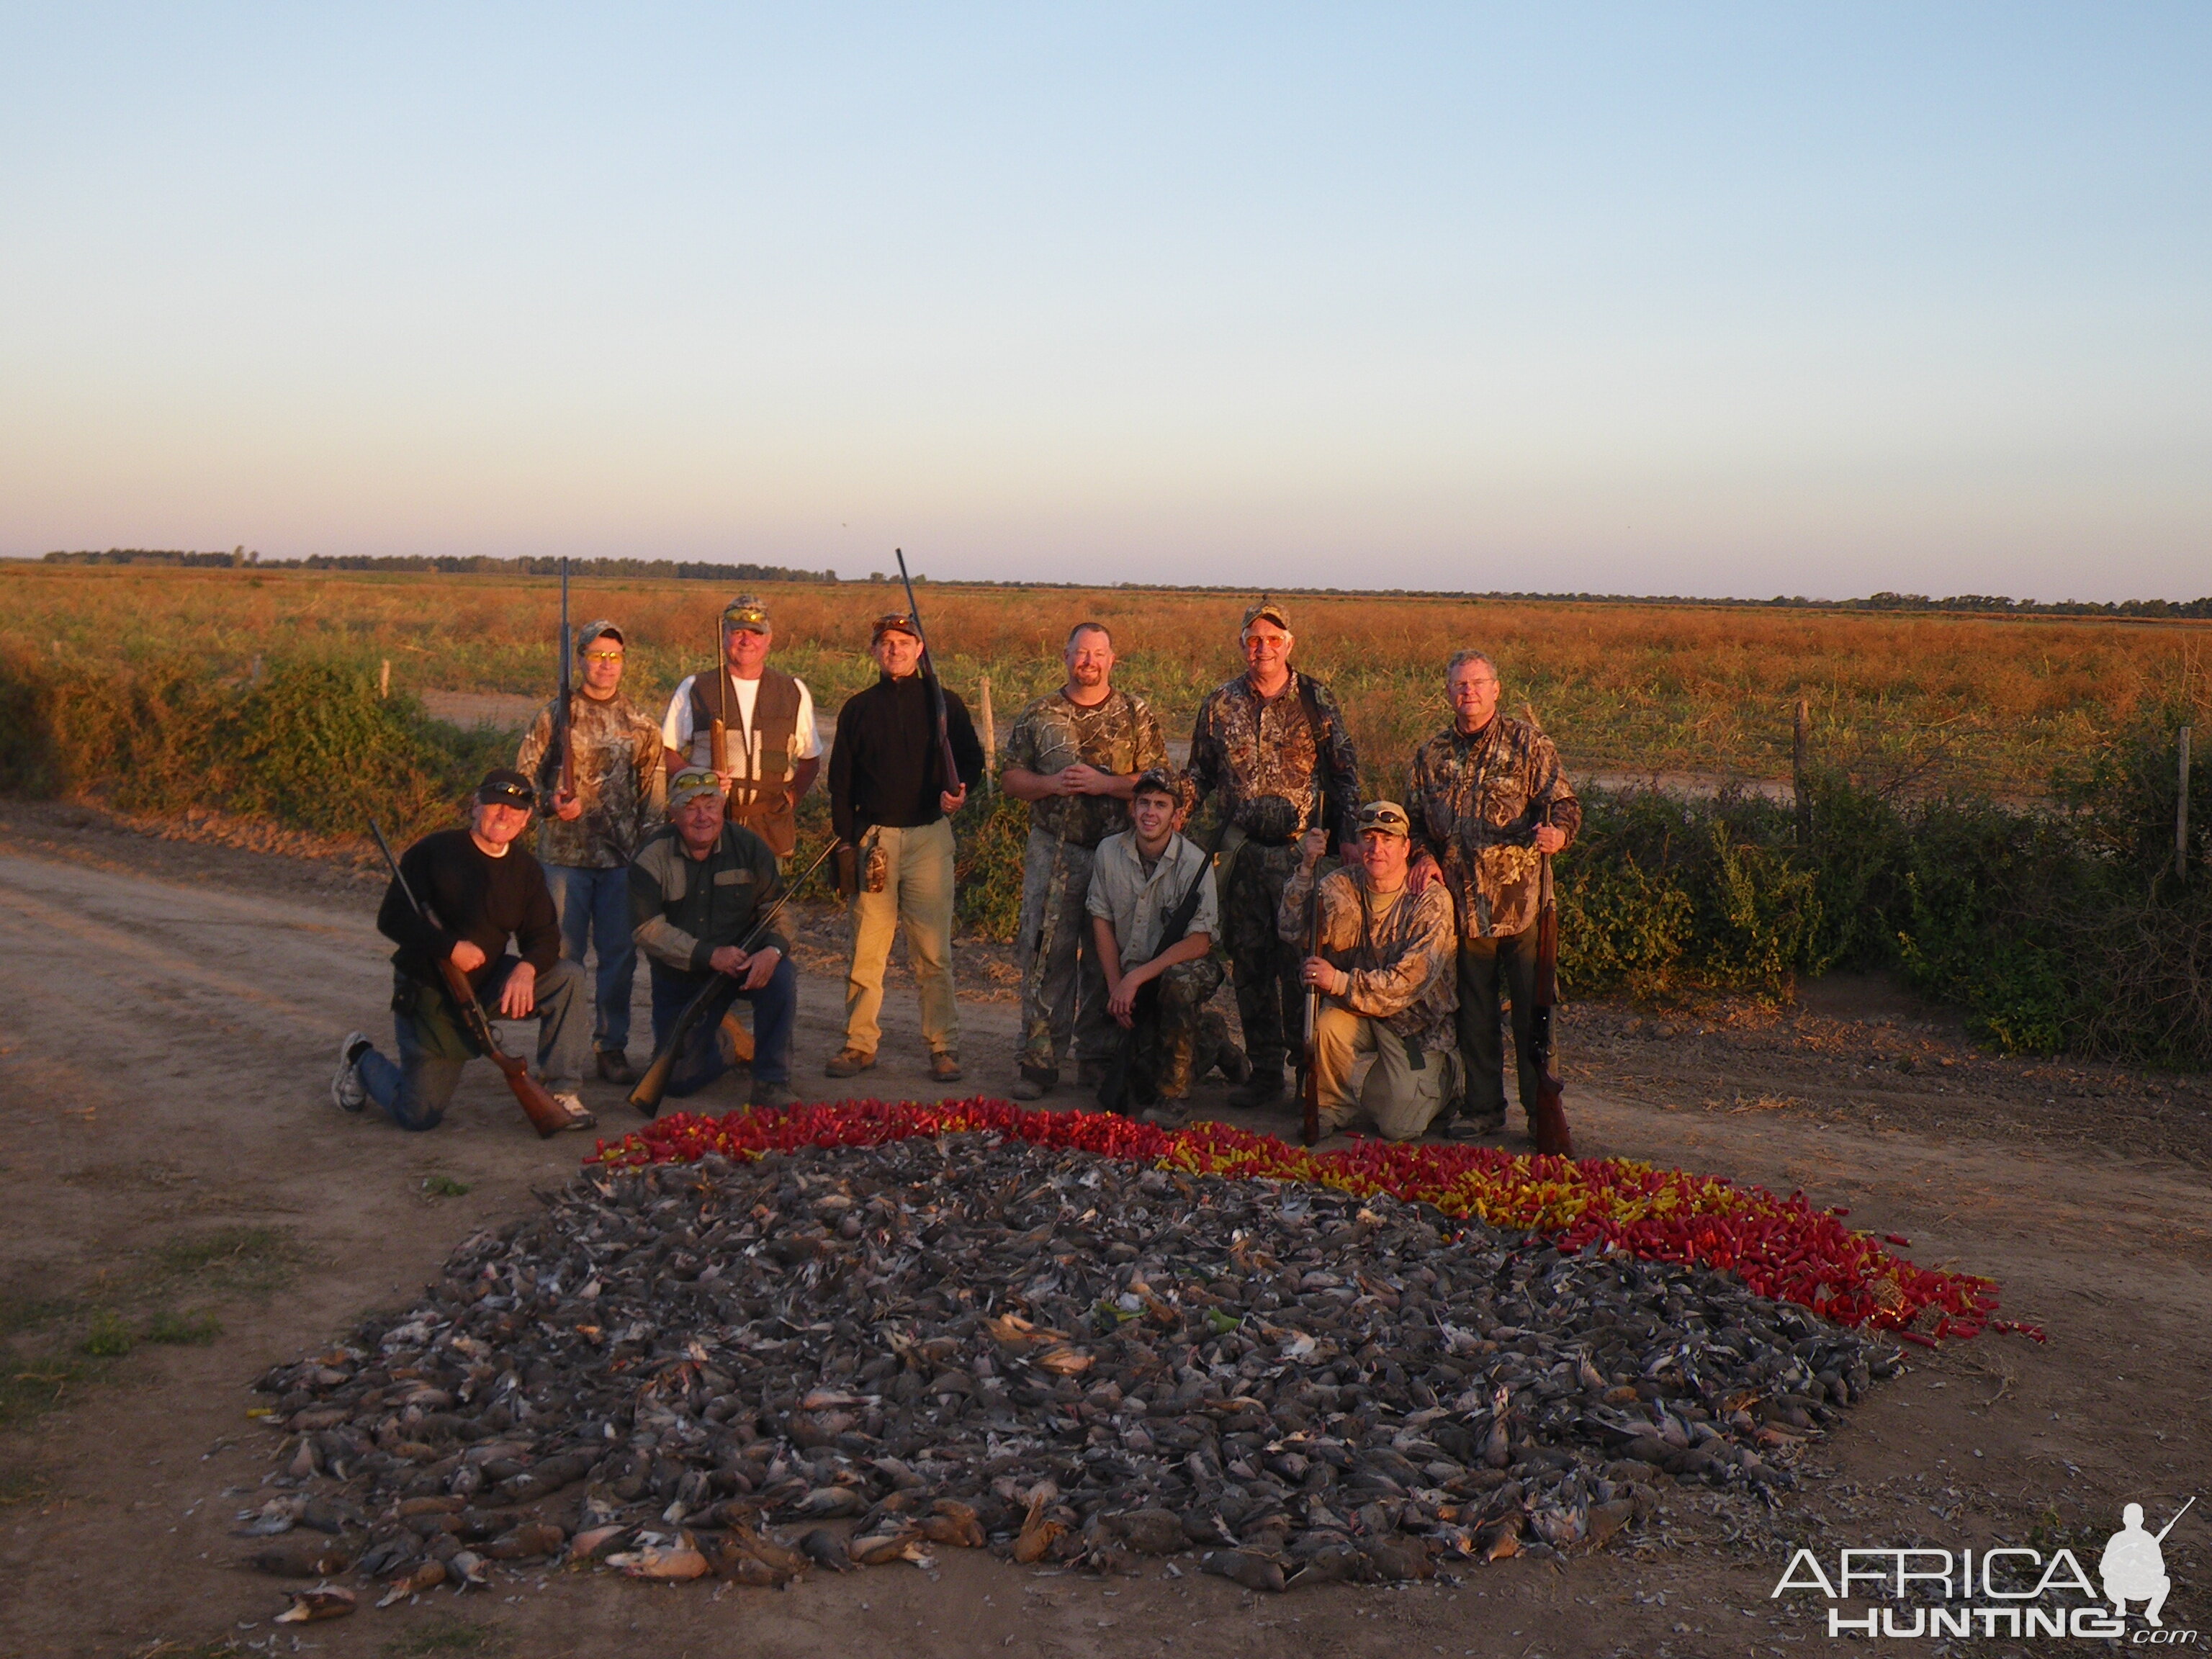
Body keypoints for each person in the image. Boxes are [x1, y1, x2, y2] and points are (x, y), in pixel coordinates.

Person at [332, 770, 593, 1132]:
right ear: (475, 806)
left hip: (487, 985)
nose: (504, 816)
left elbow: (544, 935)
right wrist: (450, 948)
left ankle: (563, 1090)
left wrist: (527, 968)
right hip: (431, 992)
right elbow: (391, 918)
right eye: (495, 806)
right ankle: (360, 1057)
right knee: (419, 1115)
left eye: (515, 809)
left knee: (568, 976)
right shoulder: (432, 852)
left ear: (527, 818)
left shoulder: (526, 870)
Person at [1186, 598, 1361, 1108]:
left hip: (1297, 858)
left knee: (1300, 962)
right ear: (1242, 644)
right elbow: (1199, 773)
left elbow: (1343, 774)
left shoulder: (1316, 699)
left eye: (1272, 639)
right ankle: (1265, 1071)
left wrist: (1347, 834)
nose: (1262, 648)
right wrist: (1174, 814)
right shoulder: (1220, 703)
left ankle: (1306, 1069)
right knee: (1250, 962)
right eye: (1253, 640)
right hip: (1240, 855)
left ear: (1289, 644)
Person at [1406, 649, 1581, 1139]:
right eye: (1460, 685)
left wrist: (1559, 835)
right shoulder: (1431, 755)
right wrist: (1422, 857)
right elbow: (1413, 822)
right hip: (1460, 909)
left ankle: (1541, 1110)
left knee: (1534, 1015)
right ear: (1447, 693)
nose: (1469, 692)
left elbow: (1565, 804)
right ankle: (1483, 1108)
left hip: (1522, 904)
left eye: (1478, 683)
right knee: (1475, 1016)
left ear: (1496, 689)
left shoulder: (1529, 745)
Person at [998, 622, 1167, 1099]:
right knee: (1045, 953)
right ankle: (1039, 1060)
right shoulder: (1040, 714)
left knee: (1105, 956)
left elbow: (1158, 782)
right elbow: (1011, 780)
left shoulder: (1136, 713)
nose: (1088, 662)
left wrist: (1104, 784)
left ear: (1112, 659)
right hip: (1054, 850)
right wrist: (1052, 785)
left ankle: (1096, 1056)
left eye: (1098, 654)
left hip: (1117, 855)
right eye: (1080, 653)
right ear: (1066, 656)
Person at [824, 611, 986, 1082]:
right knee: (866, 951)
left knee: (933, 952)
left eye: (904, 641)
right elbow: (840, 784)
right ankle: (859, 1045)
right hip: (874, 840)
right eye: (886, 642)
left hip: (929, 840)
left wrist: (961, 790)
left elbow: (972, 761)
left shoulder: (946, 705)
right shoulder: (857, 709)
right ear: (874, 652)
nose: (895, 649)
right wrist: (849, 843)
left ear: (920, 650)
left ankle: (943, 1047)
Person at [514, 619, 667, 1085]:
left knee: (619, 959)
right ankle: (563, 1054)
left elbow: (654, 802)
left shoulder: (641, 724)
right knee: (562, 959)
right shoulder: (553, 717)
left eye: (614, 656)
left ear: (624, 662)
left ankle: (611, 1046)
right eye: (596, 655)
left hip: (622, 864)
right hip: (563, 862)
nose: (605, 665)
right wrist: (549, 804)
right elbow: (522, 784)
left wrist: (649, 860)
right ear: (579, 659)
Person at [1279, 801, 1460, 1141]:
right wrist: (1305, 867)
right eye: (1369, 839)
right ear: (1359, 844)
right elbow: (1291, 930)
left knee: (1397, 1126)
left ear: (1406, 847)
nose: (1377, 849)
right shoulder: (1339, 885)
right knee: (1328, 1025)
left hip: (1414, 1027)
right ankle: (1332, 1108)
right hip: (1359, 1011)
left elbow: (1408, 983)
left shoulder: (1431, 901)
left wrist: (1337, 981)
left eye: (1388, 840)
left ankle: (1447, 1079)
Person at [628, 767, 798, 1107]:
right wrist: (709, 954)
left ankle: (771, 1081)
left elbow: (779, 911)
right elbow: (646, 929)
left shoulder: (749, 846)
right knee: (676, 1082)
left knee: (782, 976)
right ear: (674, 814)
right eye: (690, 808)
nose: (702, 817)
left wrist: (773, 952)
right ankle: (729, 1045)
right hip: (682, 976)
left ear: (722, 807)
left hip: (742, 966)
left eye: (710, 805)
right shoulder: (651, 856)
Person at [1087, 769, 1225, 1128]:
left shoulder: (1195, 864)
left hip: (1181, 968)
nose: (1150, 812)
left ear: (1177, 816)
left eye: (1161, 805)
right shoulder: (1108, 851)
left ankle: (1175, 1099)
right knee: (1138, 1080)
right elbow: (1101, 920)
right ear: (1132, 809)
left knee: (1177, 984)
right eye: (1144, 803)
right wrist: (1118, 985)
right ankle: (1211, 1041)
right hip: (1132, 974)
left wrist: (1136, 978)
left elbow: (1199, 941)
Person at [661, 594, 823, 858]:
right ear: (724, 635)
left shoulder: (793, 691)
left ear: (769, 639)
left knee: (765, 900)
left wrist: (789, 801)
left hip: (770, 832)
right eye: (737, 632)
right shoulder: (695, 688)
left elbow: (810, 760)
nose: (746, 641)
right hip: (708, 827)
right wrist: (698, 778)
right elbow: (665, 752)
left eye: (756, 633)